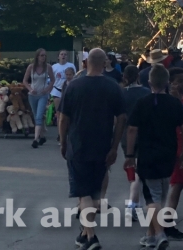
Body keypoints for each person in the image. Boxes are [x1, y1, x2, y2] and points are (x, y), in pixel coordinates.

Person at [58, 48, 126, 250]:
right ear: (105, 63)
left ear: (86, 64)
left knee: (83, 193)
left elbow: (63, 118)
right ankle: (85, 234)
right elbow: (121, 118)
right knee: (95, 193)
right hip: (102, 144)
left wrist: (63, 143)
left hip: (78, 144)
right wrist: (115, 146)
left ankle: (92, 236)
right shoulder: (113, 87)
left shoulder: (74, 86)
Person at [126, 64, 183, 250]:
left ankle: (160, 233)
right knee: (161, 195)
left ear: (149, 82)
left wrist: (130, 154)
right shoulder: (174, 103)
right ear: (167, 83)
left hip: (147, 154)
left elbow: (132, 129)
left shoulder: (142, 102)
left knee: (151, 198)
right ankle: (150, 235)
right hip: (168, 154)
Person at [165, 67, 183, 241]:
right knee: (174, 184)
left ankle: (167, 219)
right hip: (173, 146)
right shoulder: (168, 102)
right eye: (179, 82)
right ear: (170, 84)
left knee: (179, 184)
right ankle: (167, 221)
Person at [121, 65, 151, 213]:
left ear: (124, 77)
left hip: (126, 134)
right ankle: (134, 202)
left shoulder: (122, 94)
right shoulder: (145, 92)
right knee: (140, 168)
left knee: (132, 166)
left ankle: (134, 200)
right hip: (144, 132)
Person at [23, 48, 54, 148]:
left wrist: (48, 89)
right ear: (37, 56)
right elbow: (25, 81)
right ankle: (42, 136)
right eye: (41, 55)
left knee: (39, 116)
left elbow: (53, 80)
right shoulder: (31, 67)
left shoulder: (48, 67)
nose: (43, 57)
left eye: (45, 55)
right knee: (36, 116)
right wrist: (30, 89)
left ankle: (35, 139)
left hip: (42, 95)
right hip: (33, 95)